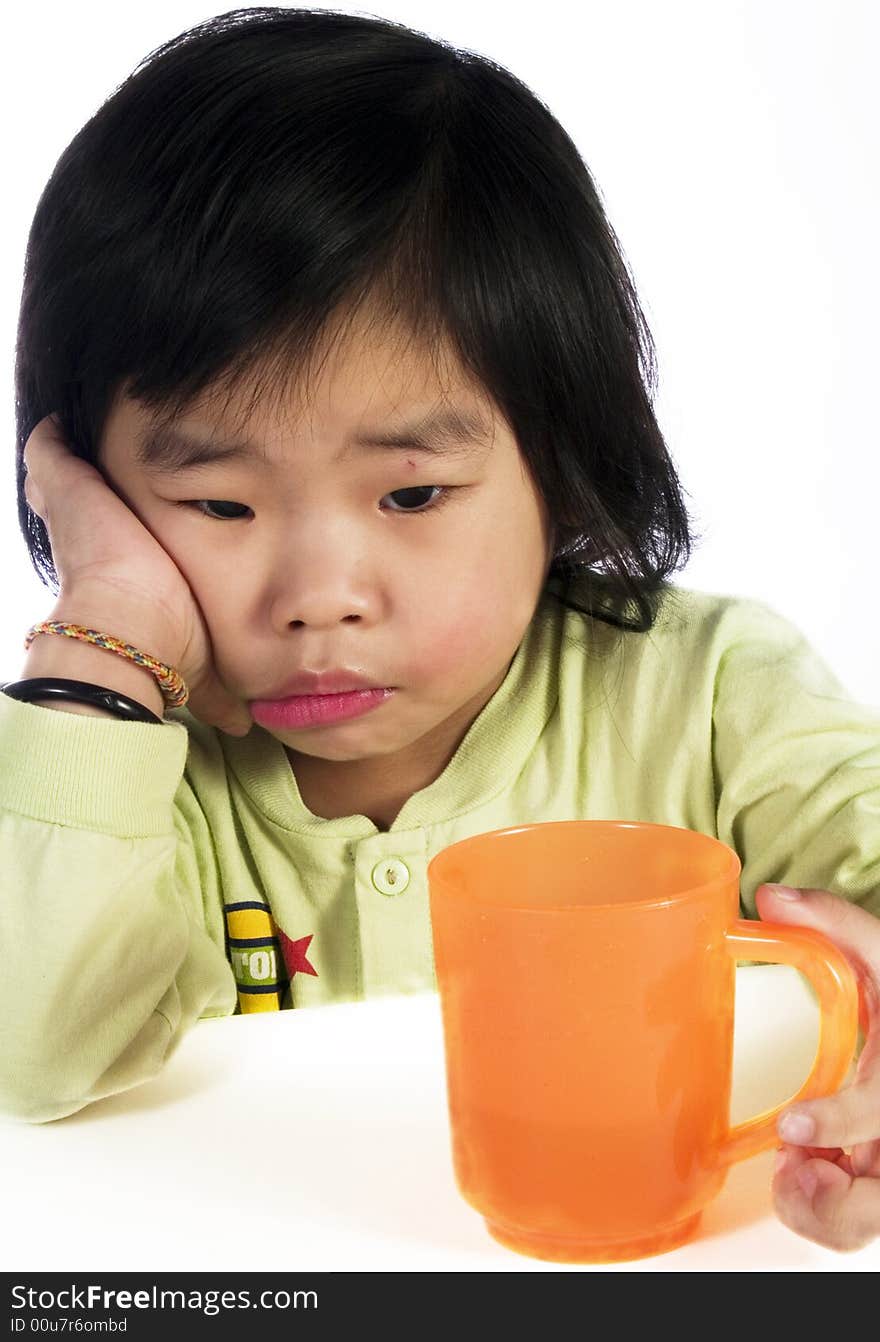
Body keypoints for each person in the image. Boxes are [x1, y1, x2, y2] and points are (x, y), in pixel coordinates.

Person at [1, 6, 877, 1255]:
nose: (321, 594)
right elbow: (32, 1057)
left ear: (563, 466)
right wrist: (101, 653)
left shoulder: (718, 696)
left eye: (410, 493)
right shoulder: (108, 780)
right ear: (89, 489)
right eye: (215, 503)